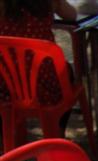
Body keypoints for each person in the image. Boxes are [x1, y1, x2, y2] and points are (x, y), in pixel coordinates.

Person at [0, 0, 77, 140]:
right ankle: (57, 133)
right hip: (45, 85)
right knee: (68, 73)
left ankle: (10, 136)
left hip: (7, 85)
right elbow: (72, 15)